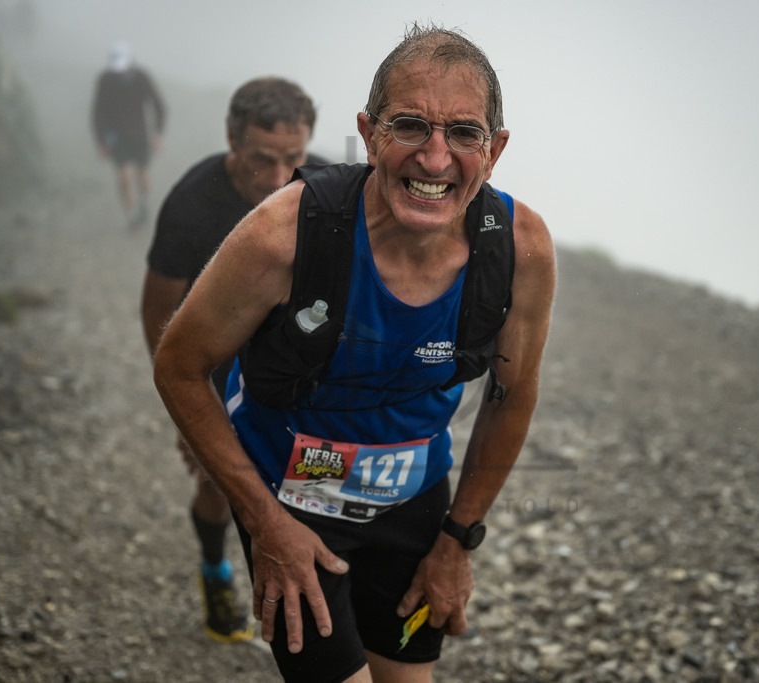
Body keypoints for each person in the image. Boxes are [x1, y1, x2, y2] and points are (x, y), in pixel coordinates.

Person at [153, 24, 555, 683]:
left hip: (414, 499)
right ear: (369, 134)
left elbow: (513, 397)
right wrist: (264, 524)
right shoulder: (285, 234)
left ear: (495, 150)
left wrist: (458, 541)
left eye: (464, 133)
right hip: (289, 496)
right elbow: (179, 364)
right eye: (409, 126)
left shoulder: (519, 248)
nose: (434, 159)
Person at [141, 77, 323, 643]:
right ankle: (216, 569)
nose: (278, 178)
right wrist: (184, 406)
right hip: (217, 365)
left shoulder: (322, 187)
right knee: (220, 486)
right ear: (232, 139)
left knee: (313, 484)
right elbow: (157, 308)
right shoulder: (191, 202)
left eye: (292, 158)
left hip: (296, 364)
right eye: (262, 159)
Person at [91, 41, 166, 230]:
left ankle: (144, 203)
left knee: (143, 174)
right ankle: (132, 216)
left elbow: (158, 105)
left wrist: (158, 133)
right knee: (123, 176)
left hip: (140, 134)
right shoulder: (105, 81)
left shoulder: (141, 78)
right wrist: (101, 141)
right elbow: (98, 112)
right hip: (116, 137)